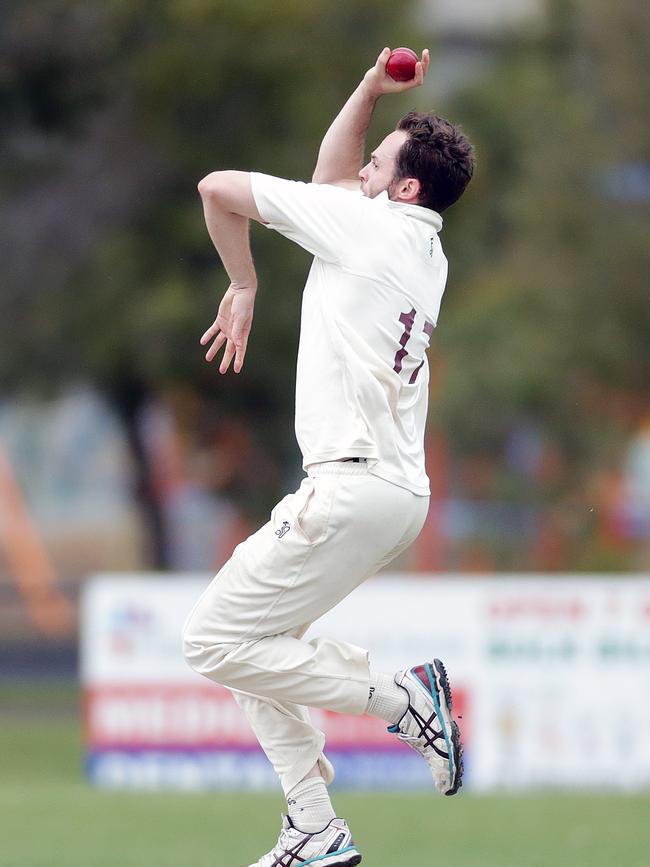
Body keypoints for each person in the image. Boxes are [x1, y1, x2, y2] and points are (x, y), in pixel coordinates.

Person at [183, 46, 475, 867]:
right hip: (392, 495)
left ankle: (405, 700)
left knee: (210, 640)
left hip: (349, 488)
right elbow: (334, 168)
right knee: (258, 647)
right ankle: (313, 822)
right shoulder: (422, 248)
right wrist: (371, 92)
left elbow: (217, 189)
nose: (363, 168)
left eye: (380, 163)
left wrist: (243, 283)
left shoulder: (364, 227)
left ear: (403, 187)